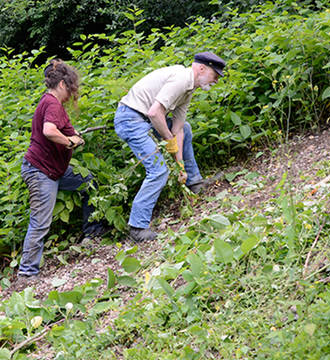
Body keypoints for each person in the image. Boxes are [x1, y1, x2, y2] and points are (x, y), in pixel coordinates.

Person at [114, 51, 226, 243]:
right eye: (214, 75)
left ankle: (194, 182)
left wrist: (180, 165)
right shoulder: (181, 79)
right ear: (201, 68)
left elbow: (179, 129)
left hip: (143, 117)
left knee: (187, 129)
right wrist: (168, 140)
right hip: (130, 119)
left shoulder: (189, 88)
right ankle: (137, 227)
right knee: (158, 170)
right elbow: (155, 113)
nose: (216, 80)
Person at [18, 59, 105, 281]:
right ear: (63, 85)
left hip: (54, 171)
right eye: (72, 89)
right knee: (40, 221)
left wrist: (73, 134)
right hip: (41, 172)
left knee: (88, 182)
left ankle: (92, 232)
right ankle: (27, 273)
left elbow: (56, 128)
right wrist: (70, 142)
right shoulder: (53, 103)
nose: (72, 94)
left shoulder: (49, 103)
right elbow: (49, 131)